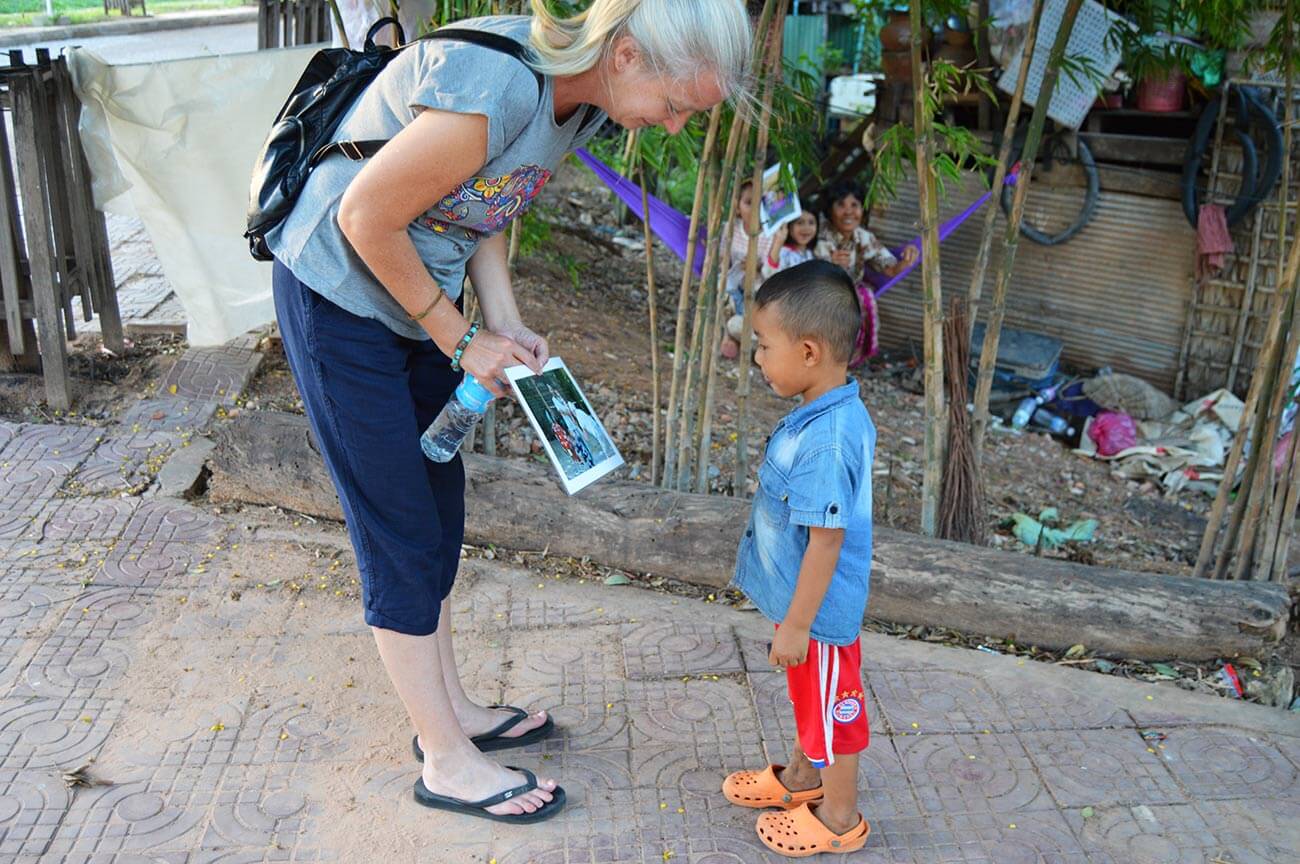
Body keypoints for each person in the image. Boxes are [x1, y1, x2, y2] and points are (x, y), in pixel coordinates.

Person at [262, 0, 752, 824]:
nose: (672, 128)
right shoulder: (502, 84)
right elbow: (363, 216)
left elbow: (484, 200)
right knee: (398, 528)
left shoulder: (583, 103)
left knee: (438, 509)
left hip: (417, 297)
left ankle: (450, 716)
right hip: (340, 294)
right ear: (627, 55)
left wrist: (503, 320)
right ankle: (446, 762)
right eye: (676, 106)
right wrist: (460, 343)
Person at [721, 260, 876, 856]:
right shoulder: (822, 411)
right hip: (807, 611)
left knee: (835, 711)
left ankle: (839, 819)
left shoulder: (827, 440)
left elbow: (826, 541)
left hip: (821, 619)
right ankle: (802, 779)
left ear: (809, 351)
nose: (756, 357)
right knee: (810, 700)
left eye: (763, 346)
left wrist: (798, 624)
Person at [813, 183, 916, 363]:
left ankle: (847, 362)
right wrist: (828, 263)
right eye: (841, 205)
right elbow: (801, 261)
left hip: (849, 294)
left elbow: (890, 268)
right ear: (830, 210)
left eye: (855, 205)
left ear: (862, 210)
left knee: (862, 297)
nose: (848, 212)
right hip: (817, 292)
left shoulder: (864, 238)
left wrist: (907, 260)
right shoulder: (818, 232)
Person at [720, 179, 774, 359]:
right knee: (722, 292)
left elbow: (770, 268)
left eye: (761, 204)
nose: (755, 210)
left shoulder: (769, 235)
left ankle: (755, 341)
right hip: (734, 285)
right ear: (737, 207)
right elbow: (723, 259)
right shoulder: (730, 229)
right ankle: (728, 336)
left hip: (758, 289)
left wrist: (756, 266)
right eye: (749, 203)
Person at [761, 209, 818, 279]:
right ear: (789, 227)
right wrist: (778, 242)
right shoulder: (783, 252)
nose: (806, 227)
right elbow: (768, 274)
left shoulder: (812, 253)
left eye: (811, 223)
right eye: (800, 223)